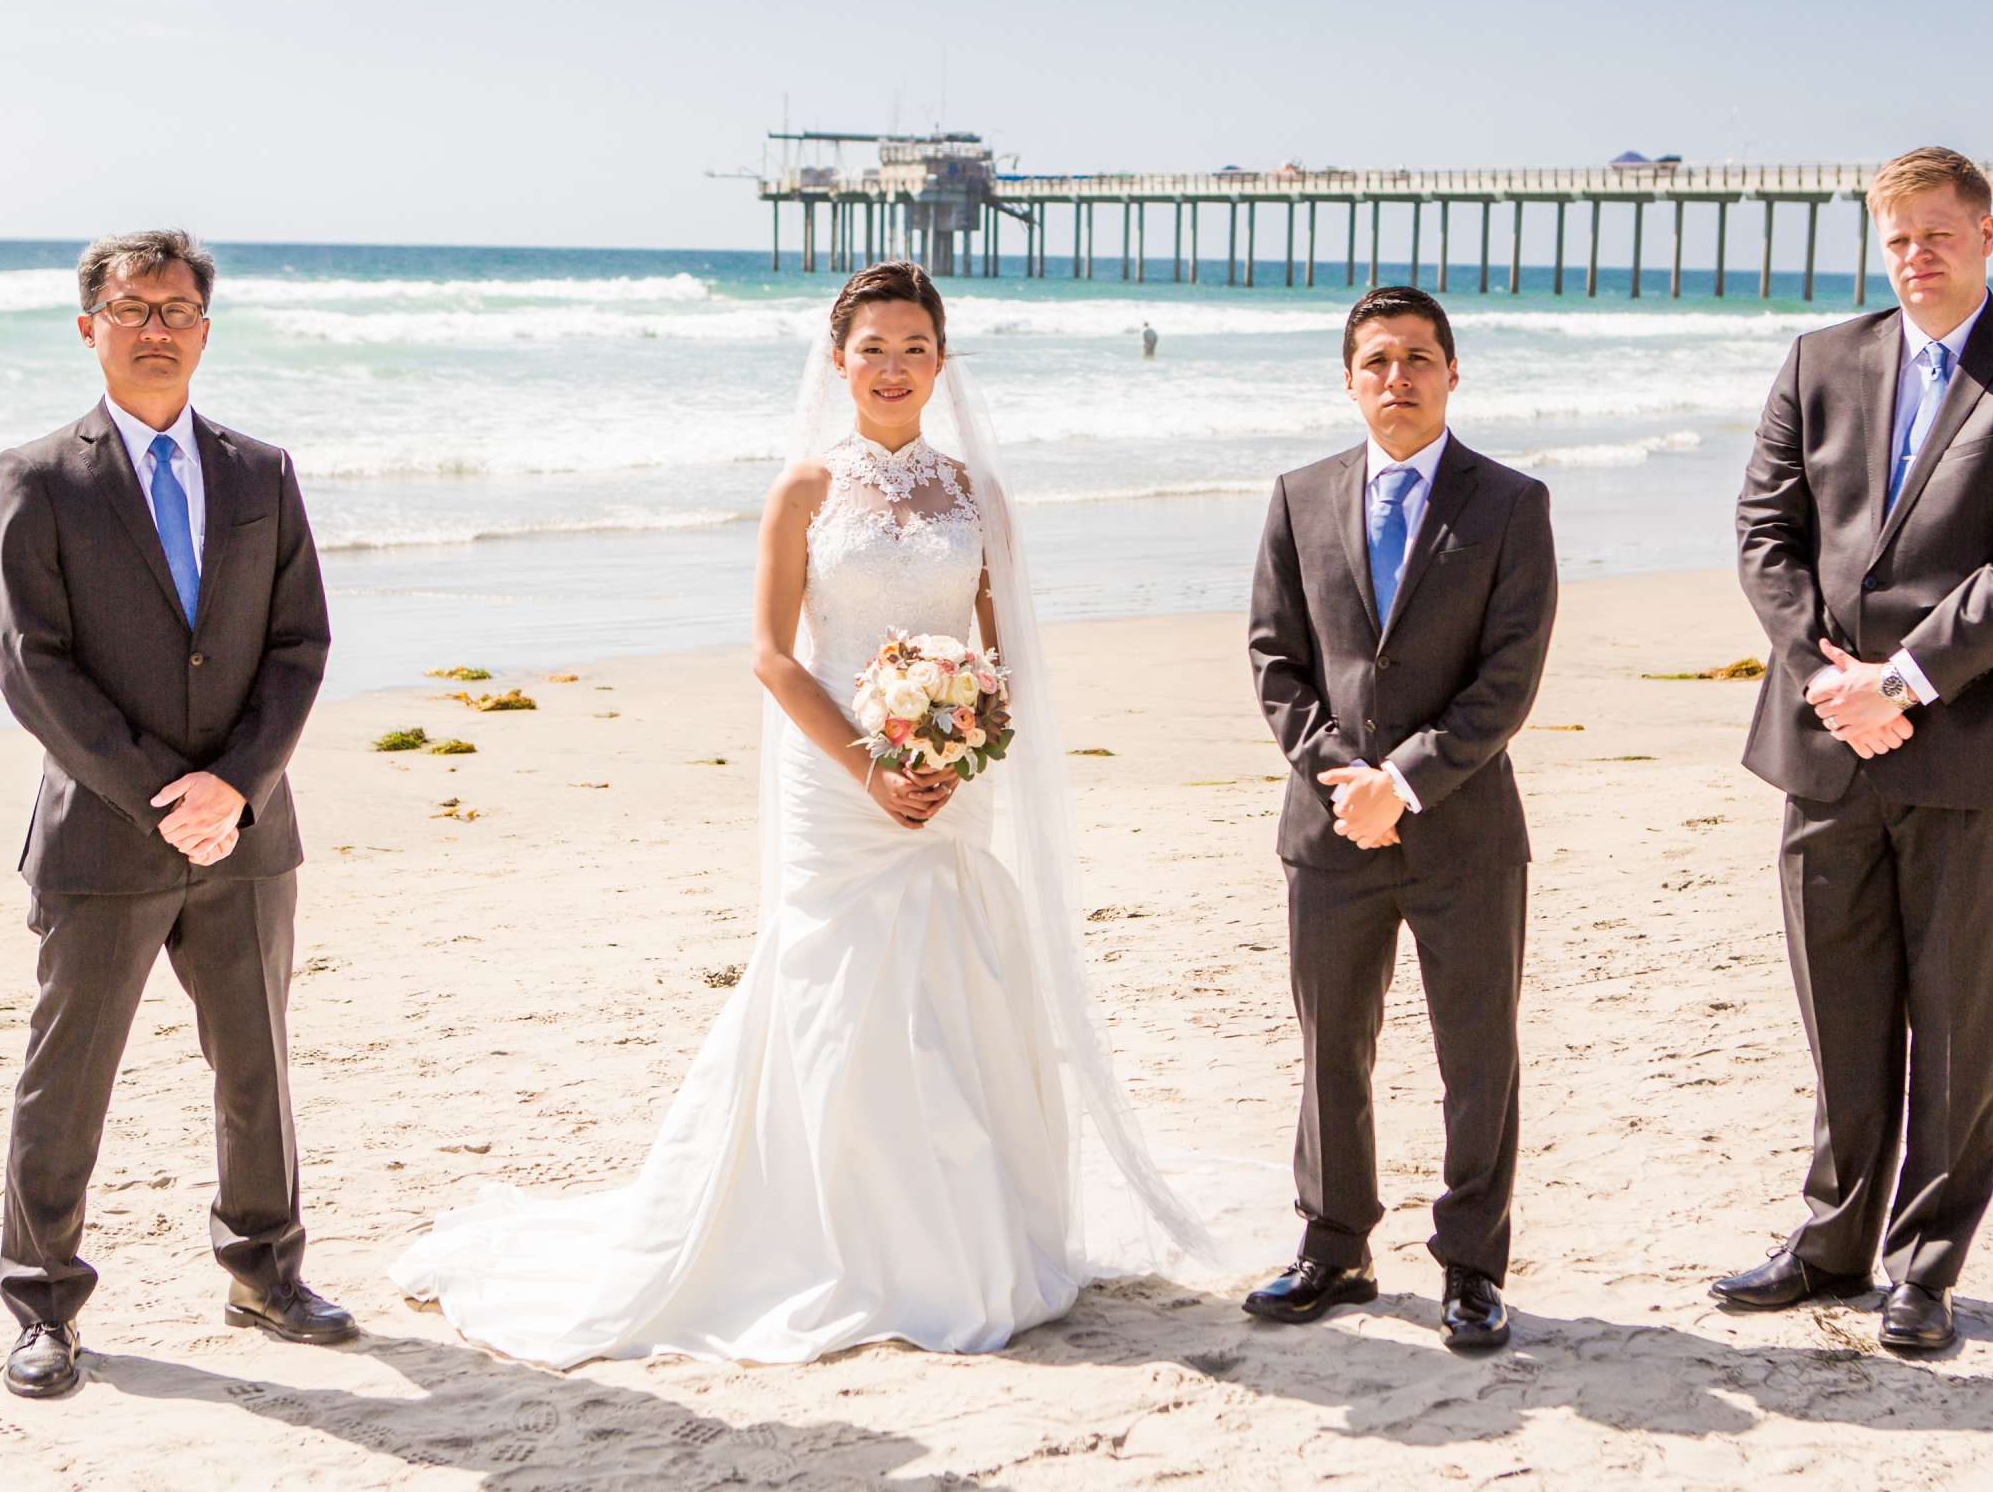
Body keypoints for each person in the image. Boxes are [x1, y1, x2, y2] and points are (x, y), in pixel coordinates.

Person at [391, 262, 1210, 1365]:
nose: (892, 365)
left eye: (914, 345)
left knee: (951, 980)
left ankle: (962, 1239)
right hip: (838, 779)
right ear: (838, 361)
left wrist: (960, 746)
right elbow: (774, 657)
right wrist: (874, 764)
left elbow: (1002, 644)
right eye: (871, 346)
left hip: (949, 776)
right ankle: (831, 1238)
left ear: (941, 360)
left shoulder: (977, 494)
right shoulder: (805, 490)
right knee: (837, 987)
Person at [1716, 147, 1993, 1353]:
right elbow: (1764, 532)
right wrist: (1831, 676)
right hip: (1826, 738)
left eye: (1939, 233)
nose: (1916, 255)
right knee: (1838, 1002)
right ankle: (1833, 1238)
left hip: (1970, 742)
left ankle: (1925, 1264)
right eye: (1897, 236)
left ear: (1988, 236)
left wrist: (1907, 677)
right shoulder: (1818, 361)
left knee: (1957, 1016)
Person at [0, 229, 347, 1400]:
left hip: (247, 831)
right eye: (132, 308)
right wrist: (158, 792)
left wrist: (237, 784)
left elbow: (300, 647)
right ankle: (43, 1305)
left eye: (177, 308)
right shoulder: (40, 476)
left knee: (257, 1068)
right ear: (88, 326)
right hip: (103, 833)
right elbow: (29, 663)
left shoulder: (262, 472)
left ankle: (265, 1270)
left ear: (205, 327)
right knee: (67, 1074)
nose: (156, 327)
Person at [1244, 285, 1558, 1351]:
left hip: (1465, 829)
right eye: (1376, 361)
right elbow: (1277, 661)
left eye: (1418, 358)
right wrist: (1347, 782)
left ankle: (1472, 1266)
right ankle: (1333, 1248)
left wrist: (1407, 781)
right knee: (1335, 1044)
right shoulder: (1297, 497)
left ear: (1452, 373)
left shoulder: (1513, 503)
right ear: (1348, 378)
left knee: (1478, 1054)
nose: (1397, 378)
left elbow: (1508, 678)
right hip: (1329, 829)